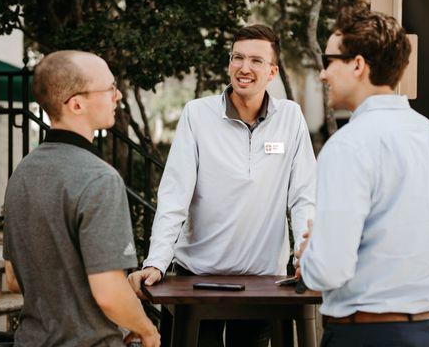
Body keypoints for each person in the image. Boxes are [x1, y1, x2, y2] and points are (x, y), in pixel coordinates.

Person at [128, 25, 316, 346]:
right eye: (237, 58)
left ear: (272, 71)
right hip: (198, 278)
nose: (244, 68)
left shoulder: (291, 117)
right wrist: (156, 261)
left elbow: (303, 198)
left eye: (256, 60)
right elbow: (175, 196)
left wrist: (305, 258)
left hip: (264, 280)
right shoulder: (197, 114)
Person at [297, 7, 429, 347]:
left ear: (358, 65)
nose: (323, 75)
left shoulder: (347, 145)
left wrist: (311, 251)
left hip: (365, 335)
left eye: (330, 61)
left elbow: (329, 269)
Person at [3, 51, 160, 347]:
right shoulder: (100, 179)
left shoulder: (21, 174)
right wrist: (147, 330)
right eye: (109, 88)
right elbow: (108, 293)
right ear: (76, 104)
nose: (118, 97)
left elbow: (12, 277)